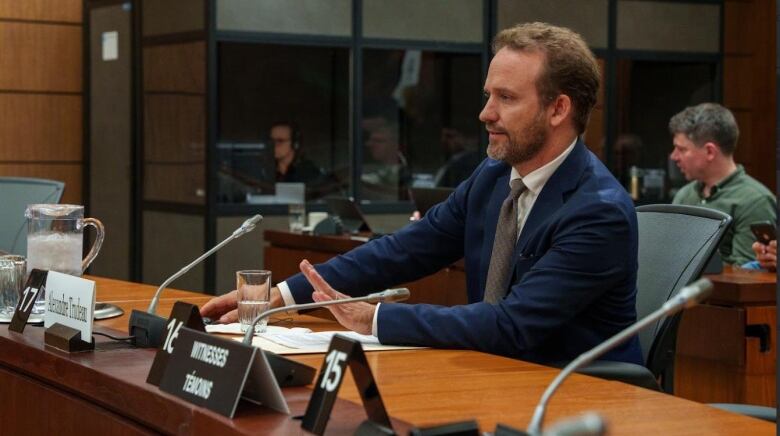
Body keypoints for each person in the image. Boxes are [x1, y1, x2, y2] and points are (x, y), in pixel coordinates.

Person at [202, 22, 642, 365]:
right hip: (496, 373)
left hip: (576, 394)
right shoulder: (492, 177)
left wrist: (374, 318)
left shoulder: (597, 211)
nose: (485, 113)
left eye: (506, 98)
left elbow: (512, 325)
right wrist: (281, 296)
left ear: (558, 109)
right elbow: (403, 250)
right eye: (488, 94)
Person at [669, 103, 777, 265]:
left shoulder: (754, 201)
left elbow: (745, 275)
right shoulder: (684, 194)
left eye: (681, 149)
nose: (674, 157)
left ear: (710, 151)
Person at [360, 116, 411, 201]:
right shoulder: (375, 169)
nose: (370, 144)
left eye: (378, 141)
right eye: (371, 140)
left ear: (395, 144)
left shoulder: (406, 174)